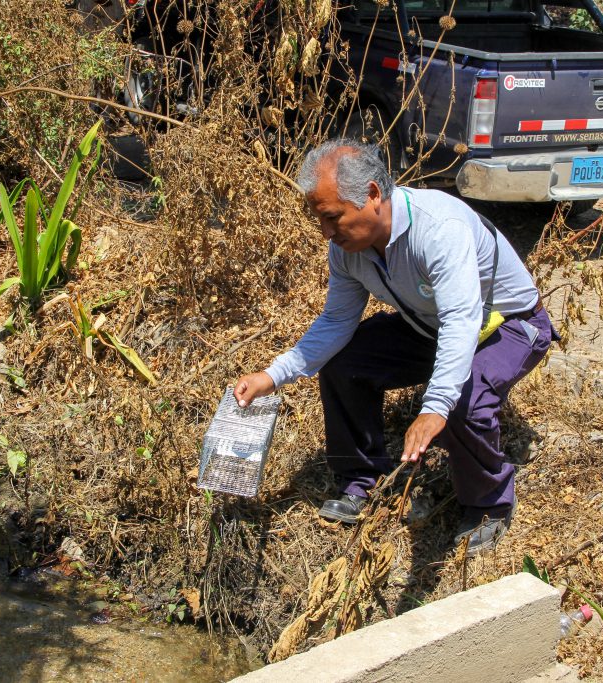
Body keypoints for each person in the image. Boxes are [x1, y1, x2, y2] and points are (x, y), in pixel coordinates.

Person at [233, 139, 555, 556]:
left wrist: (435, 406)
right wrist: (272, 375)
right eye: (320, 220)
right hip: (429, 325)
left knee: (463, 401)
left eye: (332, 217)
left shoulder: (438, 228)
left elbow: (461, 321)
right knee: (344, 363)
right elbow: (336, 322)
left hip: (508, 326)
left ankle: (488, 505)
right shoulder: (348, 250)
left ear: (371, 194)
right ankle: (361, 480)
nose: (326, 232)